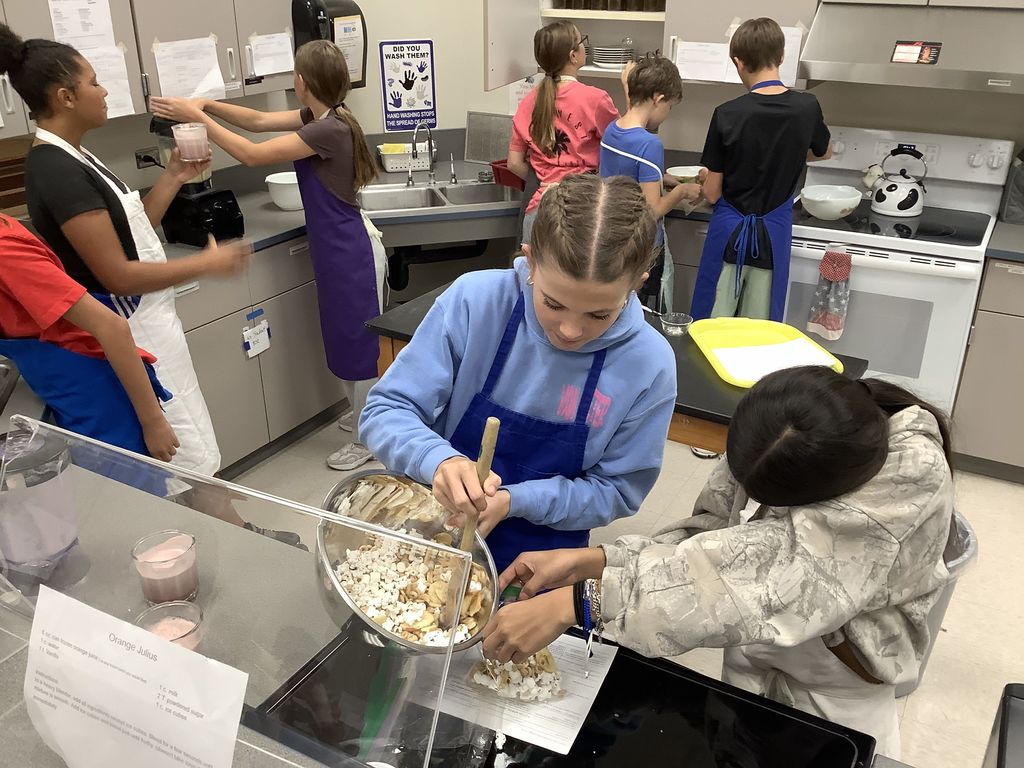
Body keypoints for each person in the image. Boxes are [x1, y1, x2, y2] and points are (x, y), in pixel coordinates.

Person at [483, 366, 957, 759]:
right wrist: (597, 561)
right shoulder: (778, 426)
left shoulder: (908, 475)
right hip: (755, 657)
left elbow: (759, 579)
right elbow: (714, 540)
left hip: (836, 692)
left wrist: (585, 601)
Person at [360, 175, 677, 574]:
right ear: (530, 261)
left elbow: (617, 490)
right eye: (553, 303)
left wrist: (514, 500)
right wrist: (437, 460)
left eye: (599, 314)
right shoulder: (475, 302)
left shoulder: (648, 364)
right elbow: (385, 411)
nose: (570, 331)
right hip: (435, 530)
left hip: (543, 557)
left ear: (636, 285)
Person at [0, 25, 249, 478]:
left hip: (154, 323)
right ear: (65, 97)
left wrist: (173, 176)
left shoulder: (78, 156)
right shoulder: (57, 171)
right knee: (186, 465)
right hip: (132, 332)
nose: (104, 91)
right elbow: (117, 274)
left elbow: (131, 234)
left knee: (198, 452)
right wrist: (206, 263)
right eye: (94, 82)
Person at [151, 40, 386, 472]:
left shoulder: (327, 130)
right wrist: (209, 105)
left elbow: (251, 153)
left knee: (359, 347)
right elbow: (257, 122)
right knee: (343, 339)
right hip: (336, 249)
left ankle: (369, 437)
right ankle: (362, 415)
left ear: (302, 82)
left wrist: (197, 118)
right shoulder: (322, 116)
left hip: (350, 251)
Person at [0, 214, 178, 461]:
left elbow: (111, 327)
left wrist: (153, 423)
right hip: (64, 385)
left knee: (124, 479)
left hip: (96, 391)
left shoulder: (6, 254)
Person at [691, 17, 833, 322]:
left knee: (712, 325)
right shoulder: (807, 107)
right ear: (781, 57)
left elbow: (712, 193)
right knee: (760, 329)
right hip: (774, 232)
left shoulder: (727, 114)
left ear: (738, 62)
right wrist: (788, 155)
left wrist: (705, 178)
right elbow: (825, 152)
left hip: (728, 232)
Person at [599, 56, 703, 312]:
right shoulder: (649, 144)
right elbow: (652, 209)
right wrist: (682, 191)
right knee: (643, 312)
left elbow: (626, 175)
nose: (666, 115)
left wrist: (661, 178)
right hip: (643, 248)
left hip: (614, 239)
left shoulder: (612, 130)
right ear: (658, 98)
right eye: (670, 107)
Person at [507, 21, 619, 246]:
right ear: (573, 56)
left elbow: (514, 163)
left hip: (538, 212)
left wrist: (547, 178)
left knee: (530, 270)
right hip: (580, 213)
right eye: (582, 41)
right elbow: (621, 148)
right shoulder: (595, 100)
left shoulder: (529, 101)